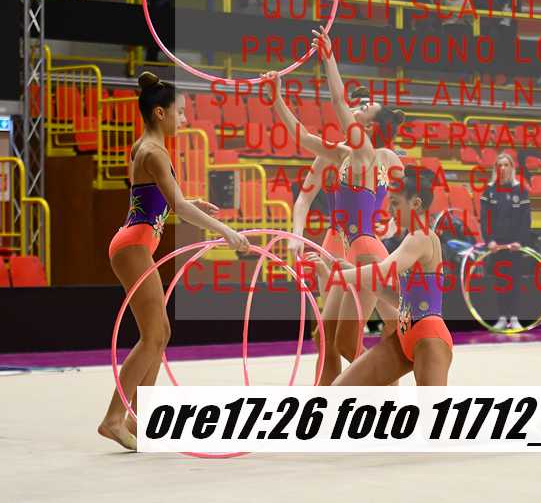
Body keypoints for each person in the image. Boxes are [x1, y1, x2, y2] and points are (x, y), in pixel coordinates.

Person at [98, 72, 250, 450]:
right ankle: (114, 418)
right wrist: (225, 231)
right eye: (180, 112)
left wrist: (189, 203)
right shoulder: (154, 152)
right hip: (133, 246)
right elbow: (177, 206)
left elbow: (156, 200)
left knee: (161, 333)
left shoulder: (146, 147)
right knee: (152, 336)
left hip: (135, 243)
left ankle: (138, 416)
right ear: (160, 113)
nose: (185, 119)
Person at [264, 27, 404, 384]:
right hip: (351, 250)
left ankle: (385, 394)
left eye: (366, 109)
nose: (358, 108)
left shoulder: (368, 153)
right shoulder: (346, 154)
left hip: (366, 252)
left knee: (351, 342)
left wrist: (328, 57)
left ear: (369, 128)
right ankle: (331, 401)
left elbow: (339, 103)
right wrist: (276, 98)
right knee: (331, 338)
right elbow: (302, 137)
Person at [309, 167, 453, 385]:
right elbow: (396, 298)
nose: (389, 210)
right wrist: (348, 269)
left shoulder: (422, 237)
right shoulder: (410, 238)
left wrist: (337, 276)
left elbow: (384, 270)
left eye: (395, 203)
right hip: (405, 335)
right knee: (341, 387)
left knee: (430, 408)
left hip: (428, 338)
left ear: (415, 204)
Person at [479, 152, 530, 331]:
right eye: (499, 165)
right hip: (497, 245)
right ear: (496, 169)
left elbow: (526, 220)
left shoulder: (520, 190)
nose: (503, 168)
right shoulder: (489, 190)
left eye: (506, 165)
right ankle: (502, 317)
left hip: (515, 245)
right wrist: (489, 241)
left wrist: (520, 242)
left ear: (512, 168)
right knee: (500, 282)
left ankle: (514, 318)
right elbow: (485, 219)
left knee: (514, 281)